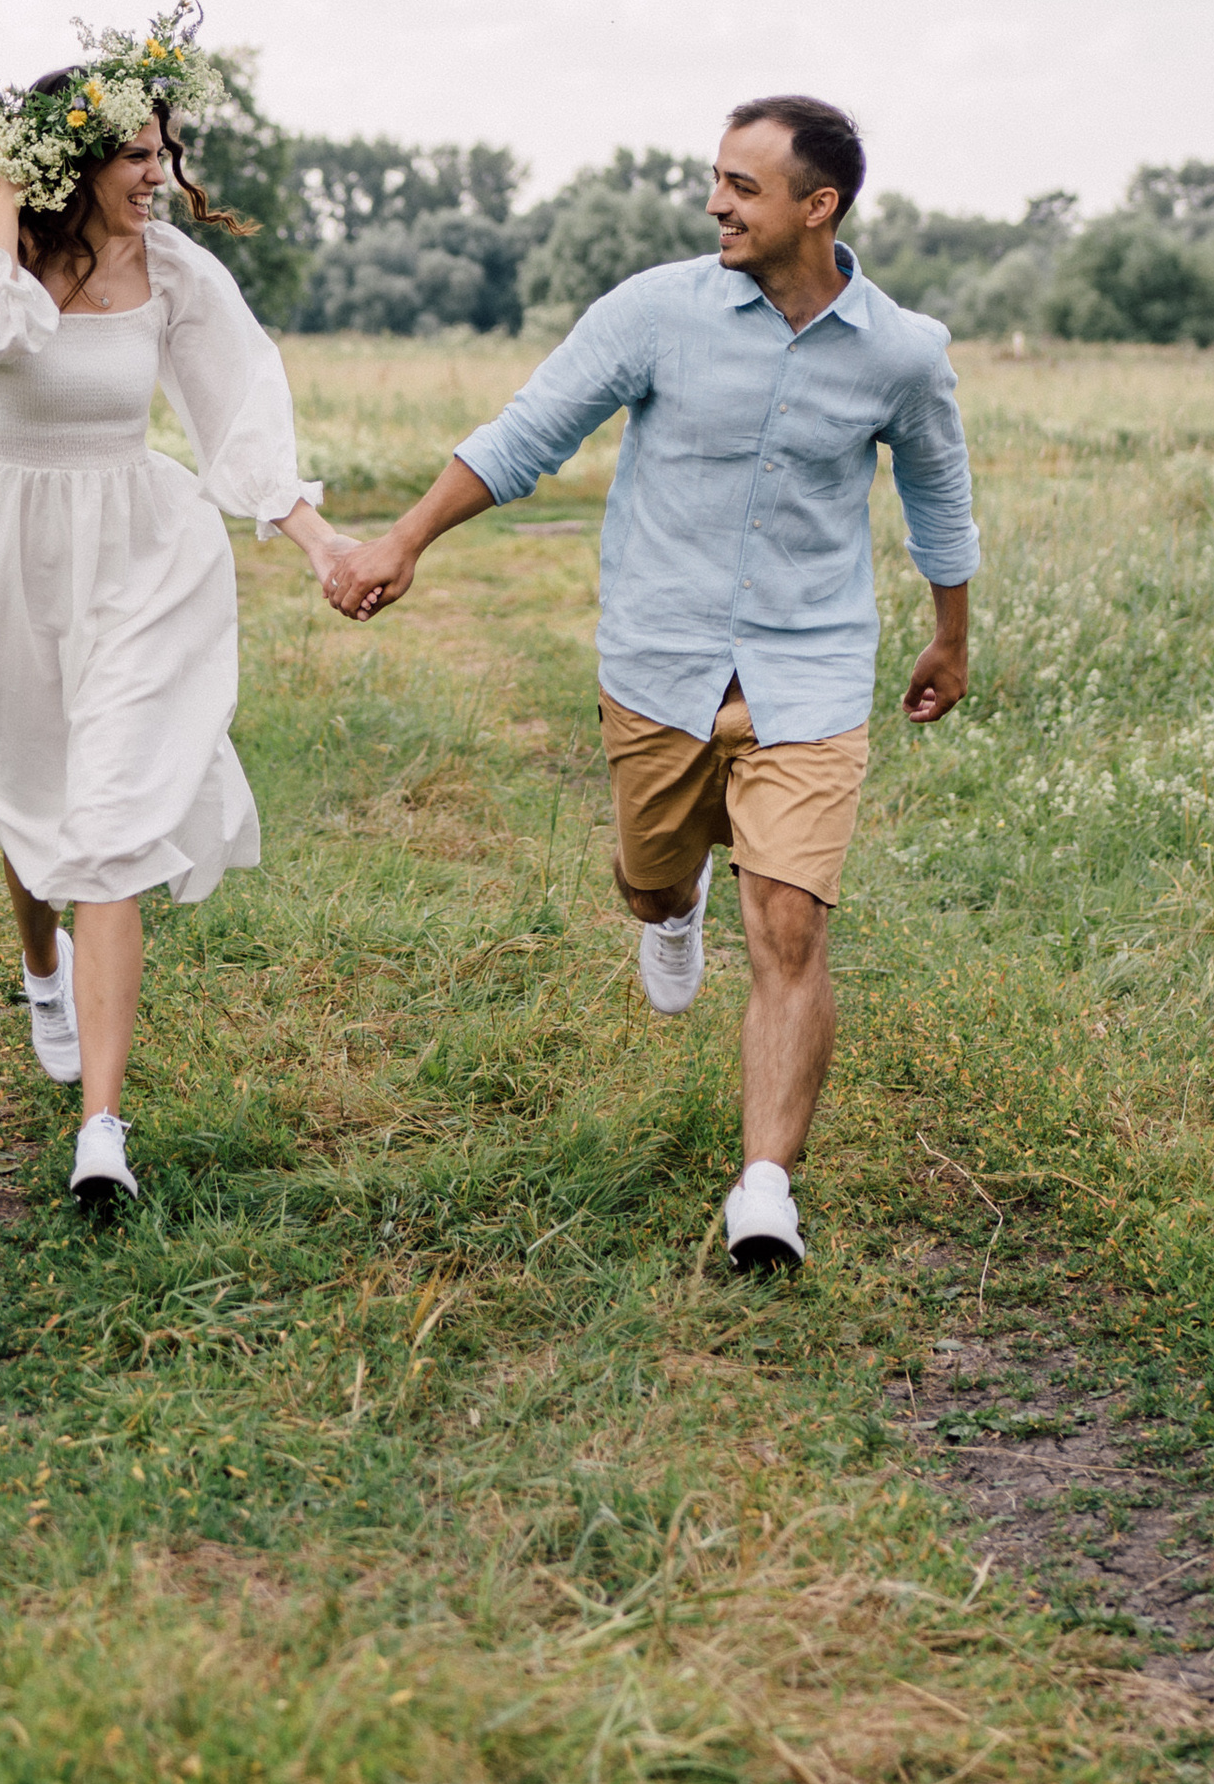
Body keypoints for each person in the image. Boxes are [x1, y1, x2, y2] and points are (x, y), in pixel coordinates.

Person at [325, 95, 978, 1274]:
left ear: (817, 207)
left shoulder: (900, 352)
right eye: (714, 179)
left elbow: (937, 494)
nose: (716, 202)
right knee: (653, 872)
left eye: (742, 184)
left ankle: (764, 1190)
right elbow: (529, 434)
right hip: (659, 662)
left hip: (811, 668)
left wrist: (950, 635)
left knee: (787, 925)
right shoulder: (654, 312)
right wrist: (403, 539)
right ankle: (664, 911)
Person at [0, 11, 352, 1215]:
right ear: (68, 164)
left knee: (106, 818)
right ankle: (38, 968)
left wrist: (313, 542)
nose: (158, 175)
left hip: (144, 554)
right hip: (8, 548)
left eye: (164, 151)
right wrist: (6, 196)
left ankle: (103, 1128)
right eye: (134, 154)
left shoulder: (181, 276)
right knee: (23, 784)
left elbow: (238, 420)